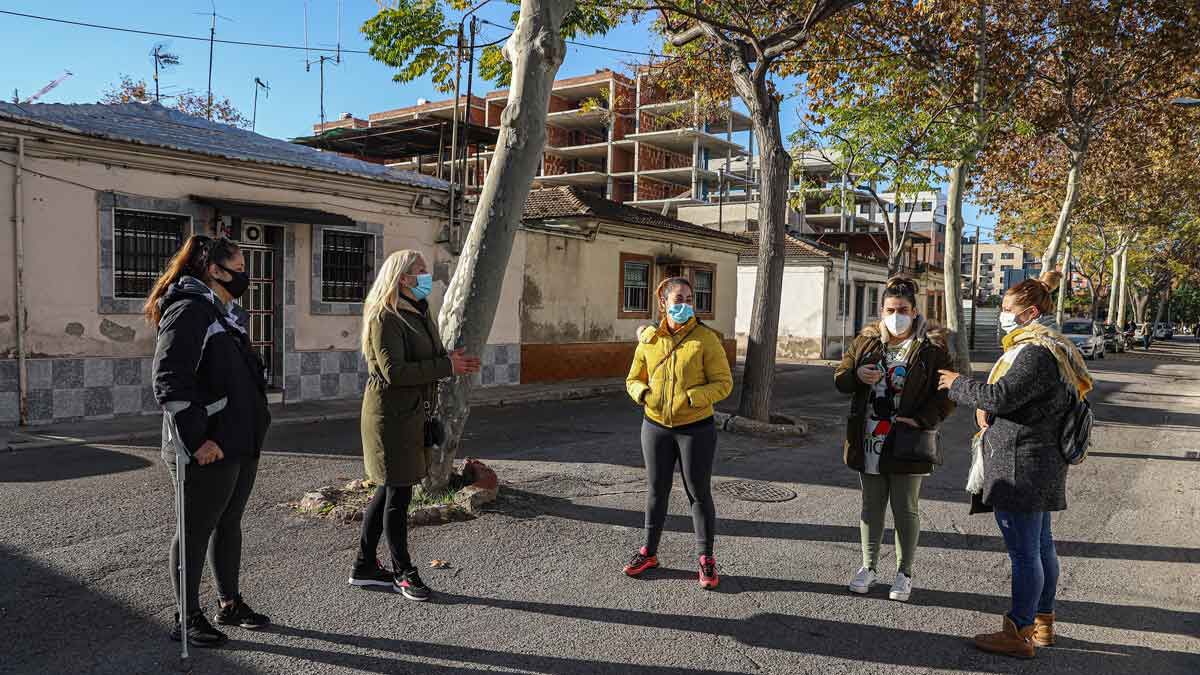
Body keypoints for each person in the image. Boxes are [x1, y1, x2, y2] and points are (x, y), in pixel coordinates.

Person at [938, 270, 1092, 659]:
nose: (1002, 316)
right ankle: (1042, 624)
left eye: (1007, 309)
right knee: (1040, 547)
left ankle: (1019, 631)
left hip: (1022, 464)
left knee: (1026, 553)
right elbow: (1017, 400)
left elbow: (1002, 395)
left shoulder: (1037, 352)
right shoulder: (1051, 347)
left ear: (1030, 313)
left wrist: (957, 383)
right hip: (1037, 460)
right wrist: (989, 410)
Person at [149, 235, 272, 648]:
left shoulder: (224, 312)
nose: (244, 275)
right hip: (206, 446)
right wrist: (197, 440)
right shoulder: (188, 310)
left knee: (229, 523)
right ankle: (187, 617)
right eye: (238, 267)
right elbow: (169, 380)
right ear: (215, 271)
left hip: (238, 440)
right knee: (195, 530)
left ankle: (229, 603)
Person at [350, 250, 480, 601]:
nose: (426, 277)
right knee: (398, 493)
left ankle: (364, 566)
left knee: (390, 489)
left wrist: (450, 361)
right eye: (420, 271)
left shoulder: (419, 313)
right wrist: (446, 367)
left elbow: (429, 359)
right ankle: (403, 572)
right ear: (402, 278)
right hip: (390, 418)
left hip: (413, 415)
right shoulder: (385, 317)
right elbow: (394, 373)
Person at [833, 277, 955, 602]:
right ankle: (868, 567)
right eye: (890, 309)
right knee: (871, 506)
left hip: (908, 440)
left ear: (915, 312)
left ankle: (904, 573)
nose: (896, 314)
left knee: (905, 508)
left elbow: (948, 395)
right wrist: (856, 375)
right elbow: (841, 378)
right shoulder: (866, 341)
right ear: (881, 310)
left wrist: (921, 419)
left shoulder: (932, 349)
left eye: (902, 309)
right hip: (870, 437)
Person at [623, 276, 733, 588]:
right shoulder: (649, 340)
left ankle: (706, 558)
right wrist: (644, 394)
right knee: (656, 491)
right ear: (664, 303)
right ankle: (649, 552)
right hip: (655, 425)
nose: (684, 304)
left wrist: (692, 398)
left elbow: (724, 383)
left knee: (698, 493)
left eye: (689, 298)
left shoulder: (705, 339)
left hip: (695, 428)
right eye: (678, 299)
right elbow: (633, 378)